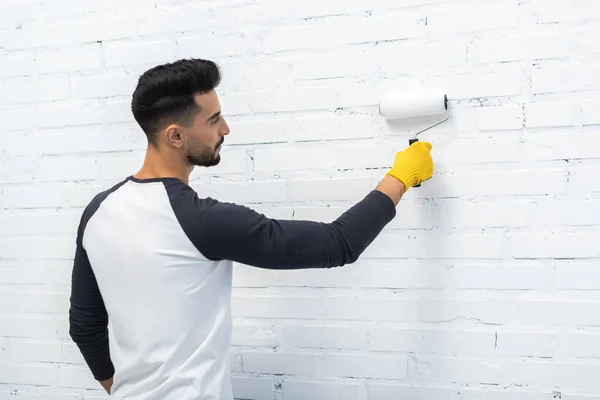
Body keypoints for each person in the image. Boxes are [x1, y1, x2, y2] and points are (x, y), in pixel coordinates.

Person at [68, 58, 434, 399]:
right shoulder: (200, 221)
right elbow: (338, 243)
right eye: (213, 121)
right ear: (175, 136)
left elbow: (84, 327)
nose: (226, 129)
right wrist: (400, 176)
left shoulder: (99, 211)